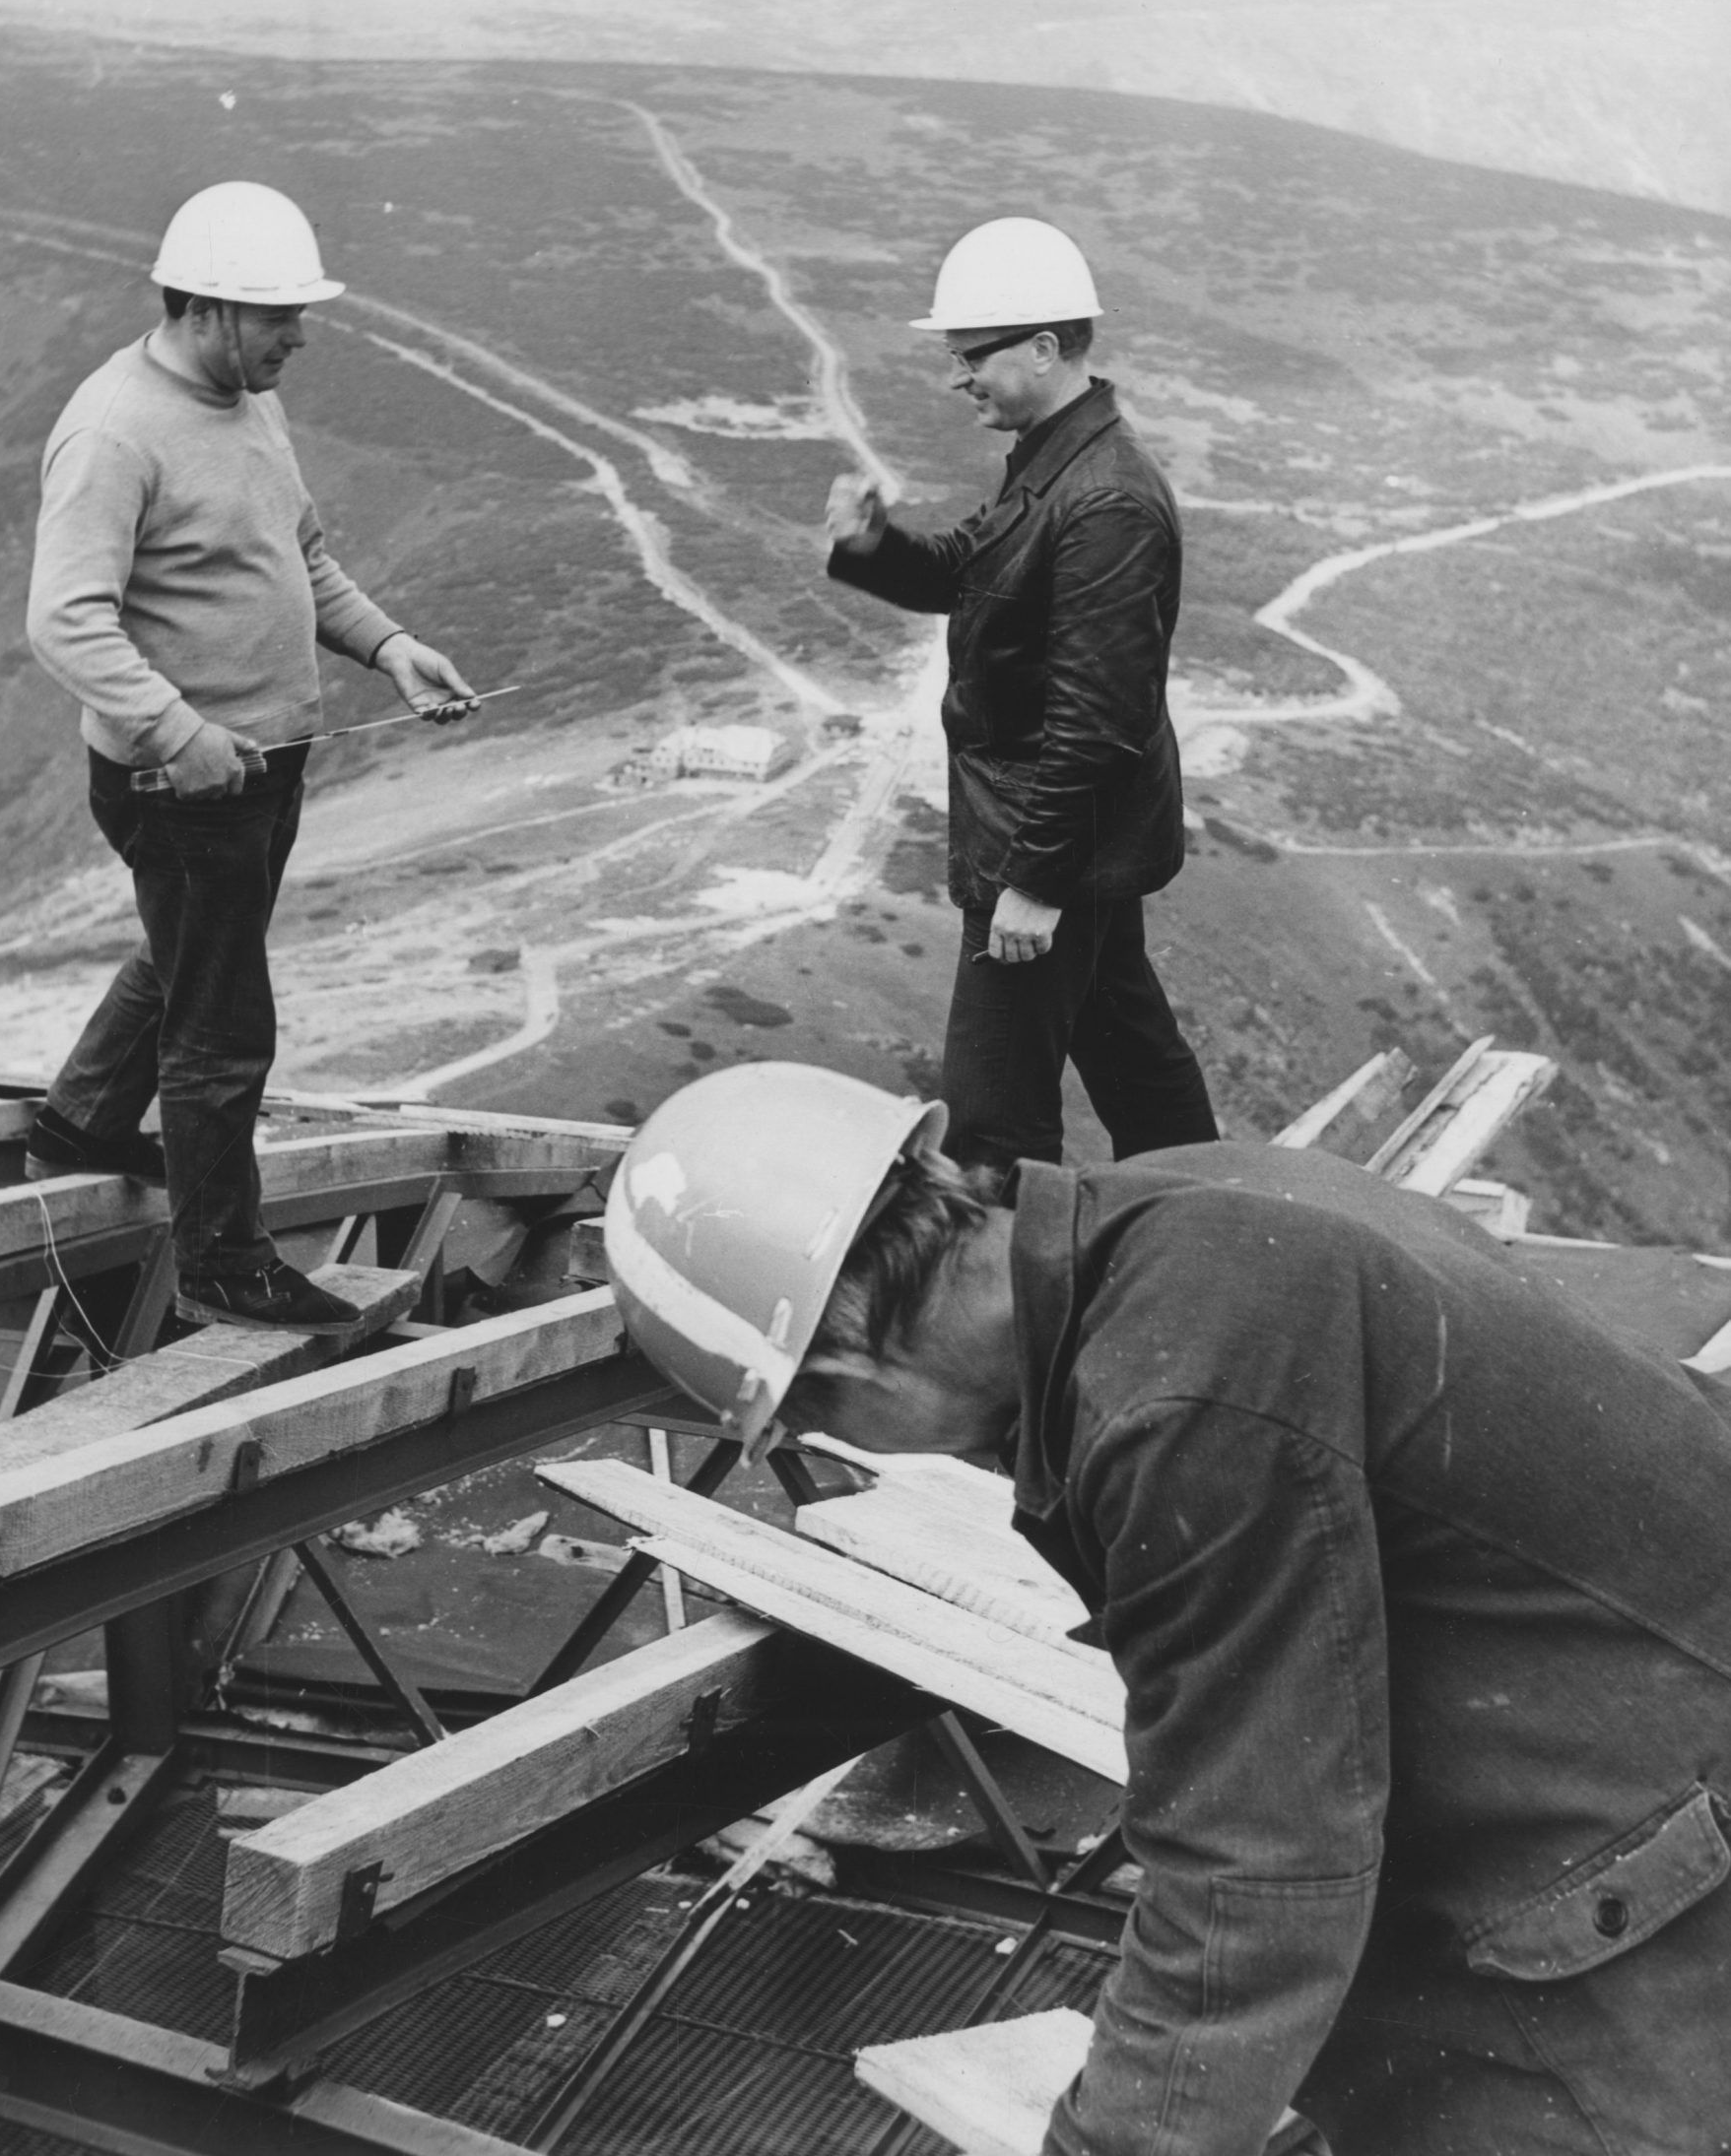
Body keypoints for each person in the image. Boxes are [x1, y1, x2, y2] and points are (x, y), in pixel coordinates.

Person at [604, 1061, 1731, 2155]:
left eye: (803, 1423)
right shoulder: (1179, 1210)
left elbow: (1257, 1862)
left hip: (1653, 1829)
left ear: (846, 1364)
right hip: (1641, 1700)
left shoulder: (1175, 1398)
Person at [26, 180, 475, 1332]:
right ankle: (226, 1259)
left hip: (261, 765)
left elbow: (300, 553)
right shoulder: (115, 427)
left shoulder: (243, 400)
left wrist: (391, 645)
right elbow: (65, 619)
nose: (300, 336)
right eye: (280, 316)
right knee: (225, 1023)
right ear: (211, 308)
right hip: (182, 778)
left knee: (198, 950)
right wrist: (180, 730)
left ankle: (81, 1119)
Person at [825, 216, 1216, 1175]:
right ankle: (1218, 1215)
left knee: (994, 1119)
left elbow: (1098, 713)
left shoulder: (1104, 498)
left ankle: (1019, 1309)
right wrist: (879, 545)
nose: (962, 379)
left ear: (1044, 348)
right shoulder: (1059, 463)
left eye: (973, 358)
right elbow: (970, 568)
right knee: (1138, 1066)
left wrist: (1034, 884)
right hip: (1079, 843)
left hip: (1050, 851)